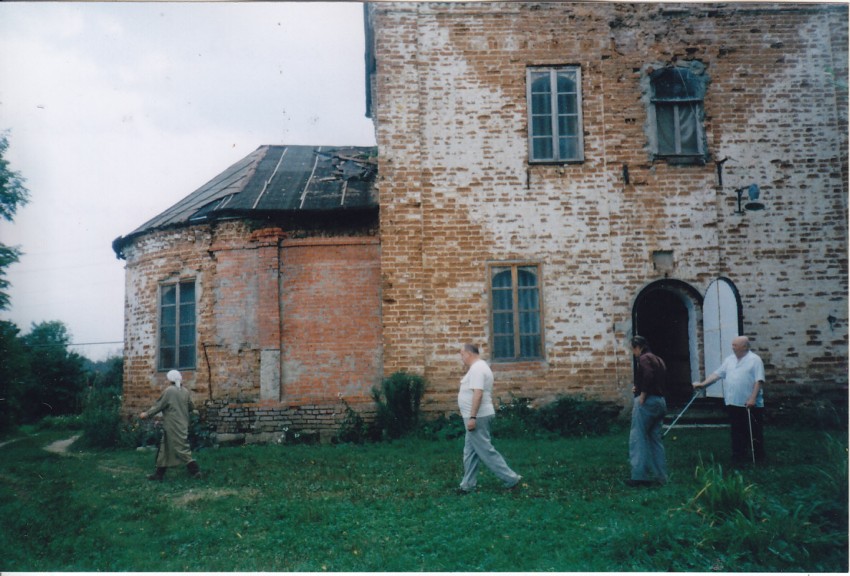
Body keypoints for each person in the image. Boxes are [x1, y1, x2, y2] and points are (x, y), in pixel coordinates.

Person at [456, 343, 522, 494]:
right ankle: (467, 485)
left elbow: (477, 393)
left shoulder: (478, 369)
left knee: (485, 450)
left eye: (462, 354)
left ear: (469, 353)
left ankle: (511, 478)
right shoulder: (479, 367)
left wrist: (472, 417)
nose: (461, 357)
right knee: (470, 452)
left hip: (477, 417)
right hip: (475, 416)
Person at [693, 335, 766, 464]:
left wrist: (753, 398)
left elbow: (759, 380)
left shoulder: (755, 360)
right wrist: (703, 384)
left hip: (749, 403)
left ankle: (759, 457)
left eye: (735, 345)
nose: (732, 347)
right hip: (733, 402)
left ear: (744, 346)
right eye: (732, 345)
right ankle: (738, 457)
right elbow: (717, 374)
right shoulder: (729, 360)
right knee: (736, 431)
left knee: (753, 431)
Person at [139, 369, 202, 480]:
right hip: (181, 424)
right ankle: (159, 474)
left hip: (173, 425)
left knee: (181, 448)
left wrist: (146, 414)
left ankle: (196, 471)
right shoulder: (185, 391)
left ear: (170, 379)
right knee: (165, 448)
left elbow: (159, 405)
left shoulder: (169, 391)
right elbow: (191, 407)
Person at [627, 335, 668, 487]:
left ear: (638, 347)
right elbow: (656, 378)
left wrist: (643, 394)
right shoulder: (658, 359)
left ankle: (639, 476)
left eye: (633, 349)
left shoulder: (643, 359)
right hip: (660, 401)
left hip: (647, 402)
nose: (633, 353)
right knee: (655, 440)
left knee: (638, 437)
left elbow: (648, 375)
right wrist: (638, 387)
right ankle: (661, 477)